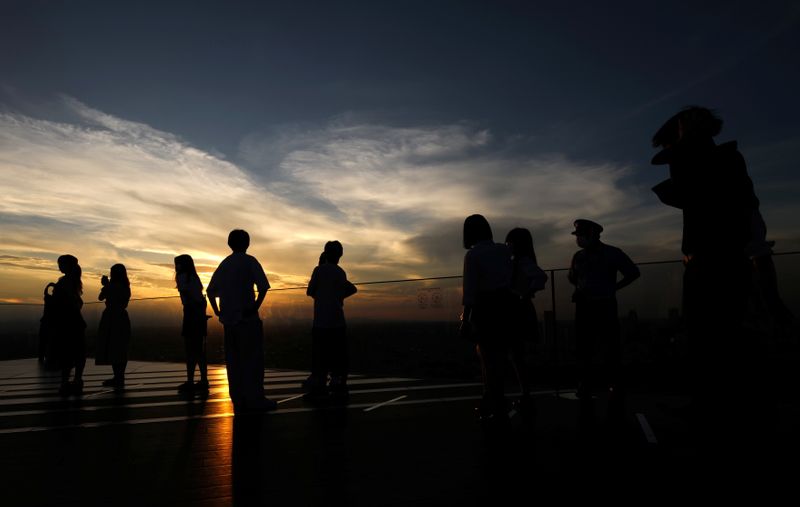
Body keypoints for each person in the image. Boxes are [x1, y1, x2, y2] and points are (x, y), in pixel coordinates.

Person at [651, 106, 759, 424]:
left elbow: (699, 195)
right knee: (707, 339)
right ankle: (711, 407)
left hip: (718, 263)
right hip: (709, 262)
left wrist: (680, 156)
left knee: (717, 339)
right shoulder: (717, 164)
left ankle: (720, 411)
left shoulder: (719, 163)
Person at [568, 219, 639, 401]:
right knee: (583, 348)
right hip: (584, 306)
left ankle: (615, 384)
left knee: (610, 347)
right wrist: (579, 288)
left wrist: (613, 288)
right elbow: (573, 277)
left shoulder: (612, 253)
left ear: (593, 235)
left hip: (604, 305)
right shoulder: (578, 256)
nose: (579, 239)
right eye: (578, 236)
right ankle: (585, 384)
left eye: (582, 235)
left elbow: (633, 272)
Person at [206, 230, 277, 414]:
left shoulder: (225, 264)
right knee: (252, 360)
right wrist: (255, 307)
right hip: (247, 320)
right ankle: (255, 399)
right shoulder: (250, 261)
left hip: (229, 322)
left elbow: (210, 291)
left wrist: (218, 311)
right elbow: (263, 287)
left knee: (234, 361)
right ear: (247, 243)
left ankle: (238, 399)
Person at [461, 214, 515, 424]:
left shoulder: (473, 255)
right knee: (500, 356)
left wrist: (465, 319)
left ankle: (492, 399)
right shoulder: (504, 250)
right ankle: (498, 400)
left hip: (485, 308)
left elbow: (470, 290)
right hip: (506, 306)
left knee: (487, 356)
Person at [304, 241, 358, 402]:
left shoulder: (319, 270)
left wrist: (321, 296)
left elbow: (310, 291)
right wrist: (338, 297)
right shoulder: (341, 272)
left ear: (325, 253)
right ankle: (337, 381)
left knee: (320, 353)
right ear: (340, 255)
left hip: (321, 321)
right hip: (337, 320)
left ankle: (319, 381)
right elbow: (349, 289)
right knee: (338, 354)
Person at [505, 227, 548, 413]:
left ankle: (525, 393)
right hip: (518, 308)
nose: (507, 245)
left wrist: (525, 294)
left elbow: (541, 277)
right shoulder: (518, 261)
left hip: (516, 309)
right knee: (516, 353)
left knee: (515, 353)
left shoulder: (521, 262)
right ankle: (525, 392)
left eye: (510, 242)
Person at [46, 254, 87, 396]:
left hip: (65, 321)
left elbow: (67, 301)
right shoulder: (74, 281)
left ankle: (65, 382)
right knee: (78, 352)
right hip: (75, 321)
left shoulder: (64, 281)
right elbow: (78, 302)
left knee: (66, 352)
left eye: (61, 264)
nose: (59, 266)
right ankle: (77, 380)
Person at [174, 254, 210, 393]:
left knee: (190, 350)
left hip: (191, 314)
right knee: (199, 350)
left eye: (178, 263)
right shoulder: (194, 277)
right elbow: (200, 298)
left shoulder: (183, 277)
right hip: (198, 314)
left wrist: (193, 310)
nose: (176, 266)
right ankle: (203, 380)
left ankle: (190, 381)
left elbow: (188, 297)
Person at [95, 264, 132, 389]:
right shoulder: (125, 287)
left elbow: (101, 297)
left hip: (113, 317)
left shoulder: (117, 287)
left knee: (115, 346)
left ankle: (118, 377)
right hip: (119, 317)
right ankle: (119, 377)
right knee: (117, 347)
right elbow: (102, 297)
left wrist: (107, 285)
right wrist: (108, 286)